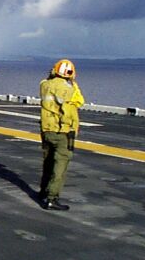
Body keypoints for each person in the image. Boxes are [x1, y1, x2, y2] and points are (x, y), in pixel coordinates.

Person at [39, 59, 85, 210]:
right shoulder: (68, 88)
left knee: (48, 162)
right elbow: (78, 103)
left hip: (46, 130)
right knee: (60, 165)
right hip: (62, 131)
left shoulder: (45, 85)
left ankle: (43, 192)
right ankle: (52, 198)